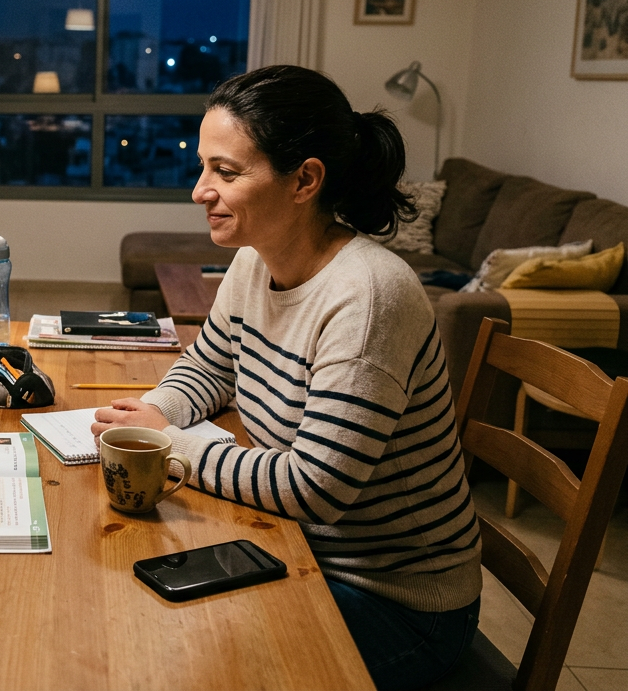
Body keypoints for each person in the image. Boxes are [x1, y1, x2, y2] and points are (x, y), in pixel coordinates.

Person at [92, 65, 481, 691]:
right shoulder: (255, 261)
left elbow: (313, 489)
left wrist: (172, 445)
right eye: (203, 167)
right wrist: (158, 411)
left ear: (304, 180)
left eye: (226, 172)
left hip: (396, 601)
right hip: (298, 549)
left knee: (188, 666)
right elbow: (209, 365)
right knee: (129, 611)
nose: (199, 191)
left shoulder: (368, 297)